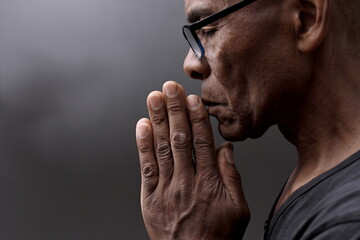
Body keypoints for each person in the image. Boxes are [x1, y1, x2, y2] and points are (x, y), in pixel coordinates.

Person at [135, 0, 360, 238]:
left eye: (209, 30)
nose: (190, 64)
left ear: (306, 20)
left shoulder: (347, 222)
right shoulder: (319, 180)